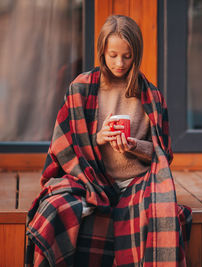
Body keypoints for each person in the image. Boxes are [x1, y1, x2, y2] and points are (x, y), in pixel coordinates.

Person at [25, 15, 192, 267]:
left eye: (127, 56)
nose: (120, 63)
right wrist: (97, 139)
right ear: (102, 51)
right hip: (89, 180)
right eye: (112, 55)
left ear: (136, 53)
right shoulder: (80, 88)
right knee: (53, 210)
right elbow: (63, 145)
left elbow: (162, 154)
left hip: (135, 183)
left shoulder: (151, 95)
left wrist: (134, 146)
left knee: (162, 216)